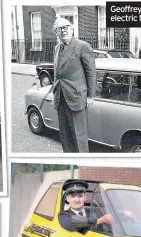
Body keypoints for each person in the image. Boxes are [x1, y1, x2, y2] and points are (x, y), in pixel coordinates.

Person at [53, 17, 96, 153]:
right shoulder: (56, 48)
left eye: (66, 27)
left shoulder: (83, 46)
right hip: (61, 98)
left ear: (72, 29)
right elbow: (57, 74)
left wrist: (90, 96)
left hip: (76, 98)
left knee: (79, 136)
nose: (63, 30)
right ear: (56, 32)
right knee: (65, 136)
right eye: (60, 28)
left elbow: (91, 73)